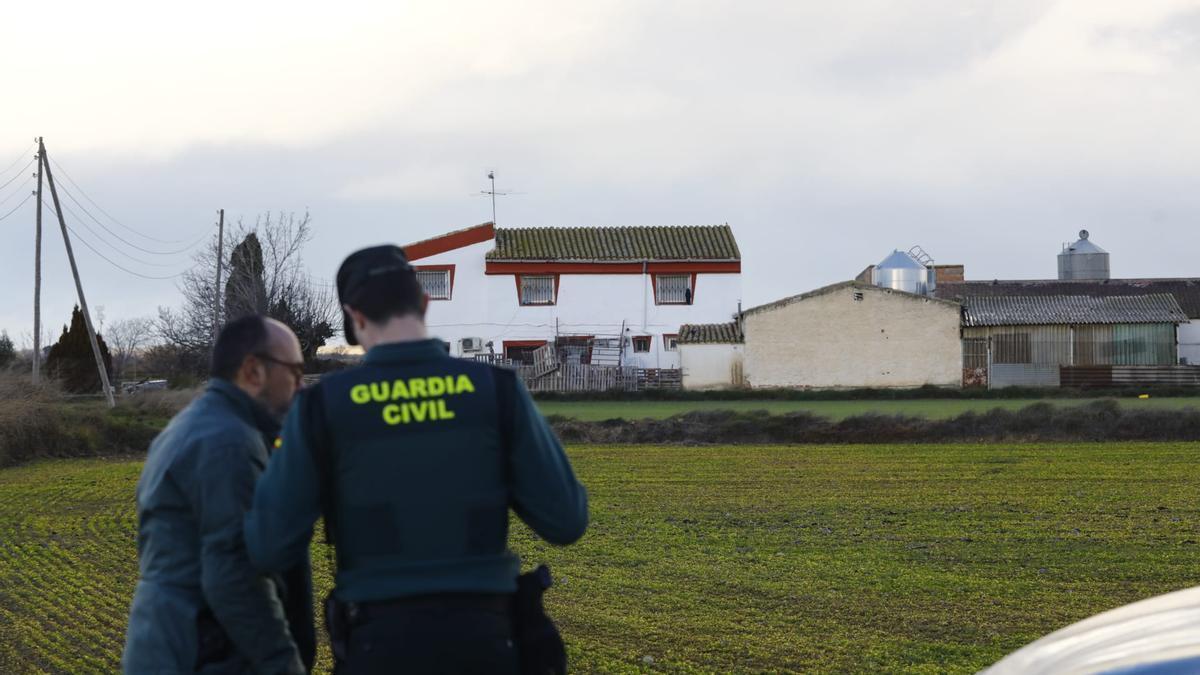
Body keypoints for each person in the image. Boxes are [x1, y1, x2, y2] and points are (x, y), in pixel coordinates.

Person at [245, 245, 588, 674]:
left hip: (378, 645)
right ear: (424, 304)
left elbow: (269, 546)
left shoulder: (321, 408)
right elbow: (566, 520)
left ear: (356, 318)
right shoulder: (496, 390)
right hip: (489, 641)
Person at [123, 316, 313, 675]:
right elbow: (234, 576)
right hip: (198, 650)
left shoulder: (190, 425)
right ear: (253, 371)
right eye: (294, 371)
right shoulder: (228, 442)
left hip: (165, 642)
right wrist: (283, 664)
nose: (300, 385)